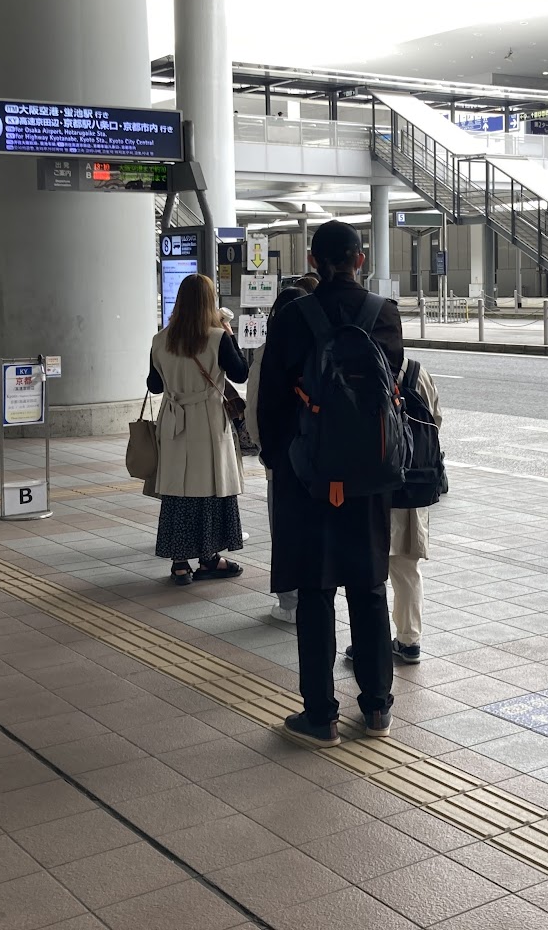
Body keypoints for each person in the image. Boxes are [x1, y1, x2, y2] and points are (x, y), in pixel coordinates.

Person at [257, 221, 401, 748]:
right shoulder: (383, 315)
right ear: (359, 260)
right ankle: (378, 707)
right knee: (369, 589)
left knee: (315, 593)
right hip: (368, 479)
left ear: (315, 262)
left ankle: (320, 716)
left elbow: (270, 401)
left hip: (308, 478)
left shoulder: (294, 316)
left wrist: (281, 463)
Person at [148, 273, 246, 586]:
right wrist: (229, 332)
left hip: (174, 419)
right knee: (210, 488)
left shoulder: (160, 340)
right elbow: (241, 374)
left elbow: (153, 385)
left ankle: (179, 564)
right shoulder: (218, 338)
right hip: (207, 419)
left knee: (177, 489)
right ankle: (209, 558)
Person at [346, 360, 442, 665]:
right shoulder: (416, 371)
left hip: (372, 485)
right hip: (413, 484)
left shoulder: (358, 366)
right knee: (407, 567)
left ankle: (368, 644)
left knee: (369, 570)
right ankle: (409, 640)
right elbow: (436, 419)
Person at [246, 282, 311, 623]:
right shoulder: (322, 347)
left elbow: (254, 410)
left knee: (284, 533)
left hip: (282, 462)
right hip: (319, 460)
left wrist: (264, 452)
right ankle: (316, 596)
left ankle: (290, 605)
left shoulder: (268, 352)